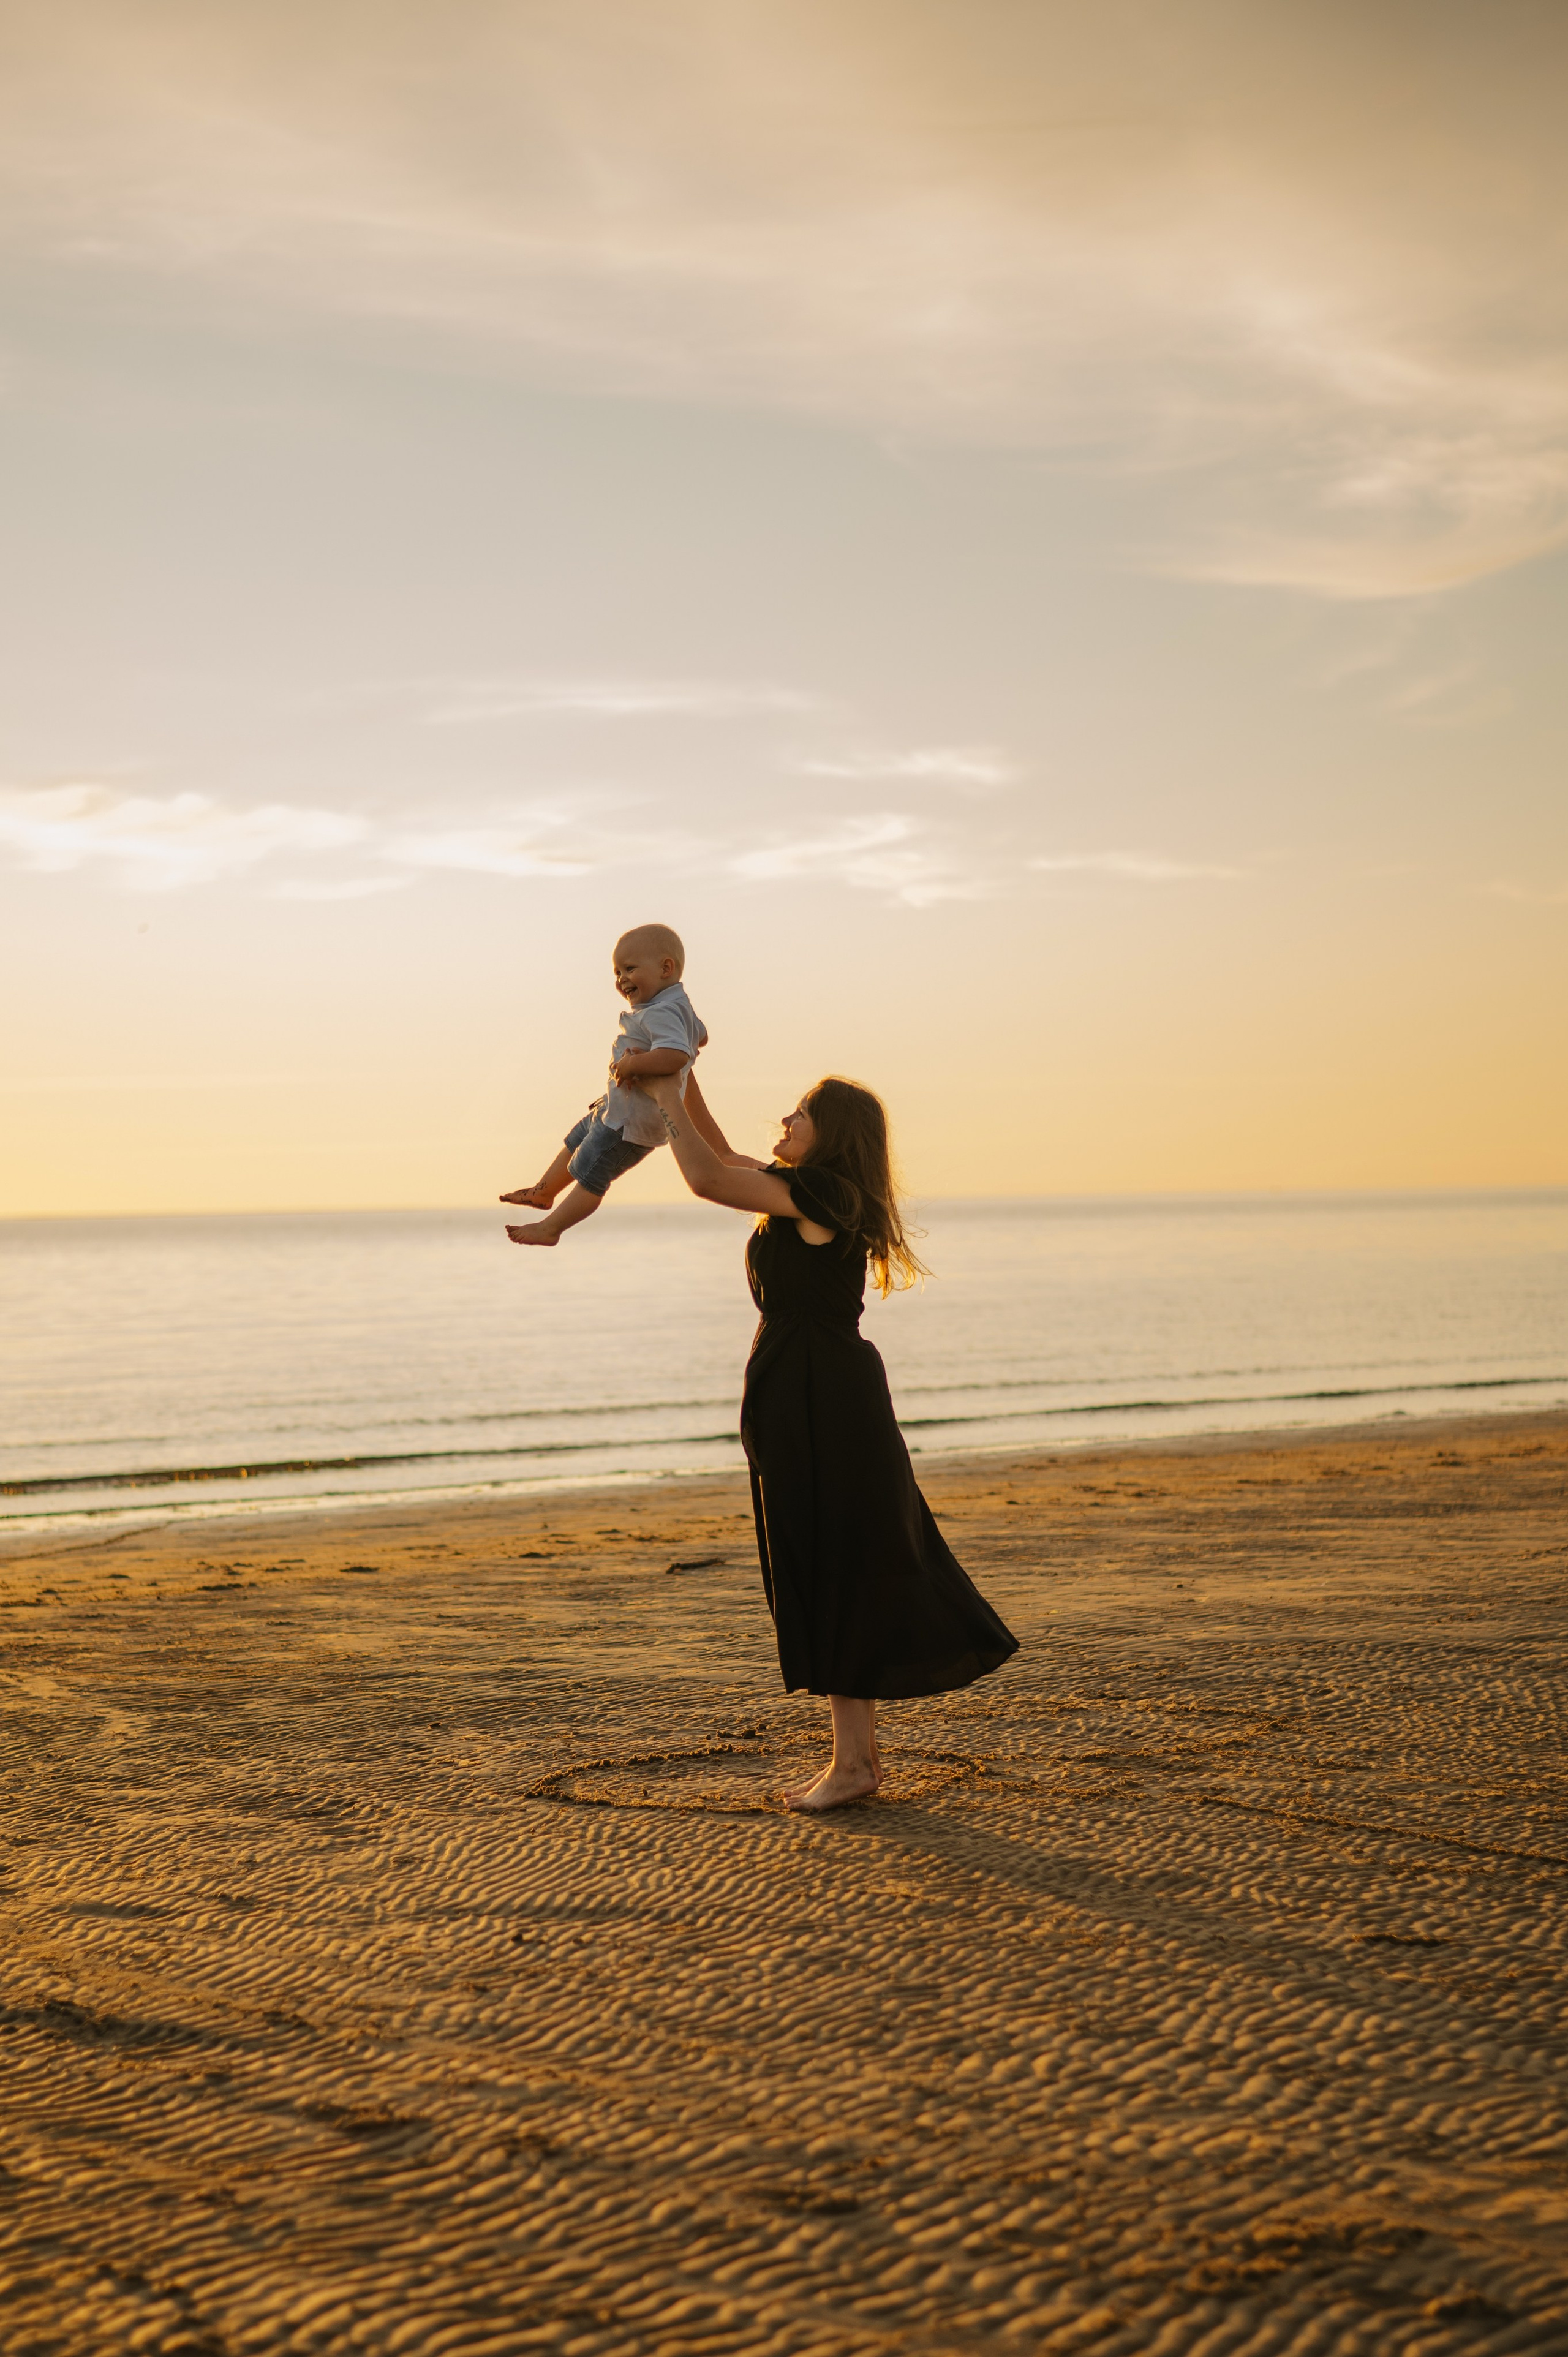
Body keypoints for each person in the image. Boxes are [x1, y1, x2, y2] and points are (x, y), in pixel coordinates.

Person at [636, 1065, 1019, 1811]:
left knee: (835, 1560)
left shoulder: (827, 1195)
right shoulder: (803, 1188)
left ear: (834, 1133)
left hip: (821, 1393)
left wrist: (657, 1097)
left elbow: (707, 1179)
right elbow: (716, 1150)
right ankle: (858, 1760)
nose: (783, 1120)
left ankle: (852, 1766)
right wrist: (678, 1073)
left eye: (801, 1113)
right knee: (829, 1557)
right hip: (803, 1386)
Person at [502, 923, 708, 1247]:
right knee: (578, 1138)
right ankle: (545, 1191)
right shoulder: (676, 1005)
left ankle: (552, 1228)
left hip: (631, 1125)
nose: (621, 980)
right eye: (617, 973)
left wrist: (631, 1063)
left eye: (630, 969)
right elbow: (701, 1037)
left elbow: (677, 1055)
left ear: (666, 968)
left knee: (592, 1173)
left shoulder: (661, 1012)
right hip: (618, 1109)